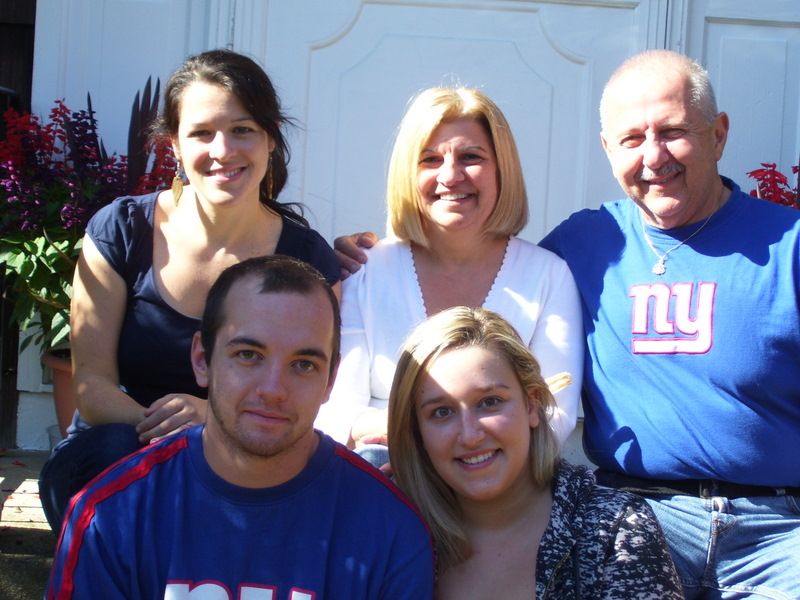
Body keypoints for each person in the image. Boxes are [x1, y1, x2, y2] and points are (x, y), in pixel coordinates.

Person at [338, 50, 800, 598]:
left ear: (718, 135)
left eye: (674, 132)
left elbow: (550, 407)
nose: (653, 156)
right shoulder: (587, 243)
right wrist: (345, 260)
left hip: (775, 529)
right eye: (632, 139)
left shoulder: (788, 246)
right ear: (608, 149)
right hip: (643, 511)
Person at [38, 48, 340, 534]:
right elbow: (91, 387)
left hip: (244, 455)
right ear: (174, 146)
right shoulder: (122, 230)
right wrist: (171, 432)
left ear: (270, 139)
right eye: (202, 133)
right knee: (120, 460)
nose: (223, 150)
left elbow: (313, 393)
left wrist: (213, 420)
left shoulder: (306, 259)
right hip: (119, 449)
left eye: (242, 129)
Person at [46, 255, 434, 599]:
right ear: (202, 359)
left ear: (331, 379)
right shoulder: (112, 514)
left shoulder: (389, 529)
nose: (273, 390)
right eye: (248, 355)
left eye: (303, 365)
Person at [314, 87, 583, 450]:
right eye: (430, 160)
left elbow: (554, 415)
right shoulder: (363, 270)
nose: (451, 176)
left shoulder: (549, 276)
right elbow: (338, 413)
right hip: (380, 477)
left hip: (499, 478)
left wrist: (405, 428)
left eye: (470, 157)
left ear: (502, 169)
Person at [388, 306, 682, 598]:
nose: (470, 435)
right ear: (416, 431)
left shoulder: (614, 527)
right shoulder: (391, 532)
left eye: (490, 402)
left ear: (532, 404)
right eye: (442, 412)